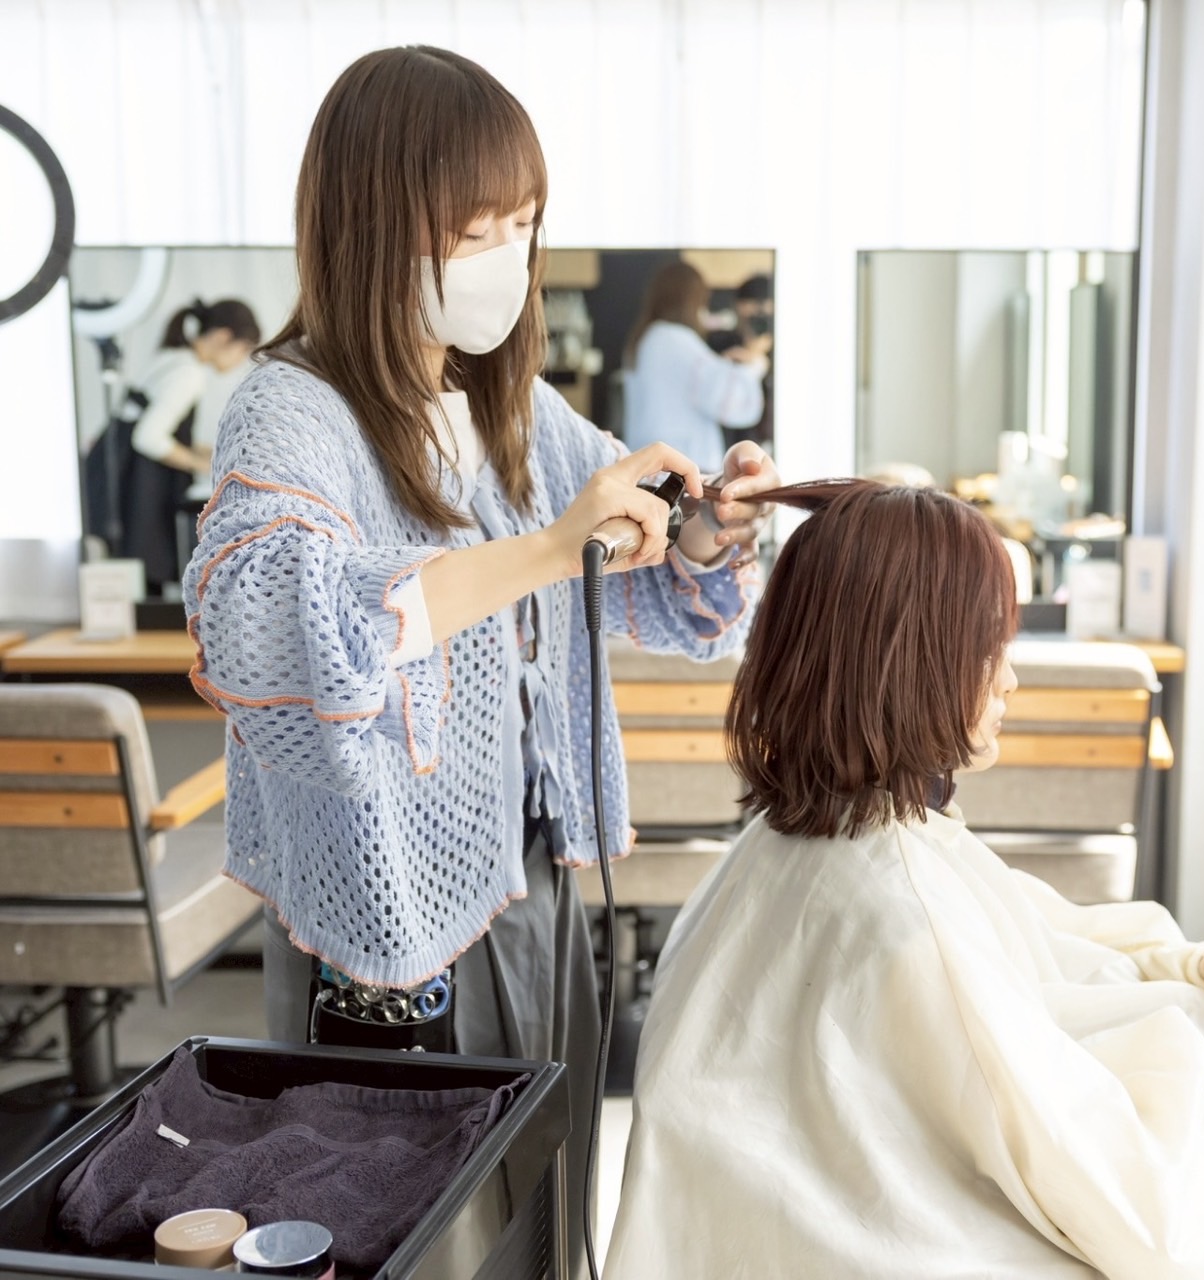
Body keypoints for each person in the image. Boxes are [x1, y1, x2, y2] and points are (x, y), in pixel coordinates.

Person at [180, 45, 778, 1280]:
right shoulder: (293, 411)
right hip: (396, 913)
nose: (510, 253)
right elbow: (275, 629)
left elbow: (642, 564)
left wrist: (703, 523)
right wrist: (549, 545)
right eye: (478, 226)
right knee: (421, 1231)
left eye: (525, 222)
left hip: (532, 884)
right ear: (374, 225)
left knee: (539, 1209)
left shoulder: (502, 406)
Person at [607, 478, 1204, 1279]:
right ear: (908, 657)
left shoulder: (800, 844)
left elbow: (1033, 931)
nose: (1010, 681)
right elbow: (1154, 1224)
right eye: (989, 644)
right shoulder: (908, 919)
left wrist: (1186, 966)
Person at [84, 298, 260, 593]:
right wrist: (204, 465)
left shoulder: (173, 357)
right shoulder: (188, 374)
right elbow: (149, 437)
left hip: (117, 476)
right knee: (146, 578)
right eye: (243, 351)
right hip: (138, 491)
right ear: (222, 337)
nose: (240, 361)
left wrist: (202, 450)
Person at [621, 259, 769, 471]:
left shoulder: (646, 338)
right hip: (681, 470)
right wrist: (754, 363)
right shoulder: (675, 340)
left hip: (653, 465)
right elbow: (730, 401)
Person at [706, 271, 774, 452]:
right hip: (727, 440)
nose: (758, 316)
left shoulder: (784, 352)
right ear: (738, 306)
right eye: (753, 304)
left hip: (768, 438)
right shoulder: (720, 342)